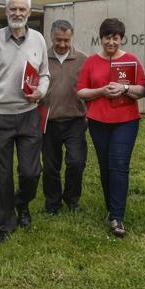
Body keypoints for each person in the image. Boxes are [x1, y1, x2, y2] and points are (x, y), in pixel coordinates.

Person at [0, 0, 50, 244]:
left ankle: (21, 202)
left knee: (31, 172)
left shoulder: (38, 39)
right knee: (0, 175)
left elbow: (45, 74)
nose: (17, 13)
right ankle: (5, 224)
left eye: (21, 10)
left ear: (29, 13)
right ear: (6, 12)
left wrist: (41, 91)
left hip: (28, 115)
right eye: (12, 9)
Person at [76, 18, 145, 237]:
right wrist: (101, 91)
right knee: (105, 167)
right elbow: (81, 92)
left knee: (118, 165)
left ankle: (117, 216)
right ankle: (111, 208)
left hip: (126, 121)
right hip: (98, 121)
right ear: (101, 38)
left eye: (115, 37)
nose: (111, 42)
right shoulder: (90, 62)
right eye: (107, 37)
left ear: (121, 38)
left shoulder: (131, 60)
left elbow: (142, 90)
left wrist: (125, 88)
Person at [41, 19, 87, 215]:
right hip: (48, 122)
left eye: (66, 40)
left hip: (75, 120)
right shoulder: (41, 58)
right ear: (51, 37)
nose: (62, 44)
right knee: (51, 167)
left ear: (71, 38)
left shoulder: (83, 59)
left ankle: (71, 200)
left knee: (76, 162)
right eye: (58, 39)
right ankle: (52, 204)